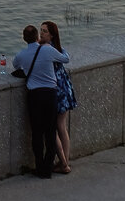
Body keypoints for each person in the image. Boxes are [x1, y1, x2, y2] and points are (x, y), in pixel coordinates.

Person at [13, 24, 71, 178]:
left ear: (24, 38)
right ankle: (48, 168)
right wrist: (59, 46)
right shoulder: (47, 50)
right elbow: (66, 58)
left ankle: (39, 167)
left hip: (34, 96)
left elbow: (15, 65)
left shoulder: (21, 55)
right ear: (37, 36)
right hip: (51, 94)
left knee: (37, 133)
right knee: (50, 132)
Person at [41, 21, 77, 174]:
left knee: (52, 128)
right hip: (65, 87)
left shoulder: (47, 49)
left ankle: (63, 162)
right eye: (40, 30)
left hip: (56, 90)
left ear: (51, 35)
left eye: (44, 31)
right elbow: (66, 57)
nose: (41, 33)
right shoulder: (58, 48)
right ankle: (65, 161)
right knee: (62, 127)